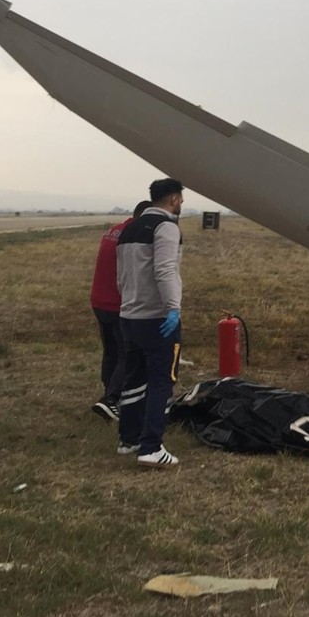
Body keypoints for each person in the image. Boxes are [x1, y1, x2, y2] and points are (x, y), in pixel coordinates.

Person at [116, 178, 185, 468]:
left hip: (129, 316)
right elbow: (166, 269)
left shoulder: (129, 228)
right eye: (180, 198)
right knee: (161, 382)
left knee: (133, 378)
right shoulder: (167, 227)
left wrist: (128, 302)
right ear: (174, 199)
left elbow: (122, 275)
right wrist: (173, 308)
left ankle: (128, 439)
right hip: (157, 318)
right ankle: (151, 447)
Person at [89, 200, 151, 422]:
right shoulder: (134, 236)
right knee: (129, 352)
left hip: (99, 300)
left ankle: (108, 394)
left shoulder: (113, 231)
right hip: (118, 303)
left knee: (111, 351)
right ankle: (111, 399)